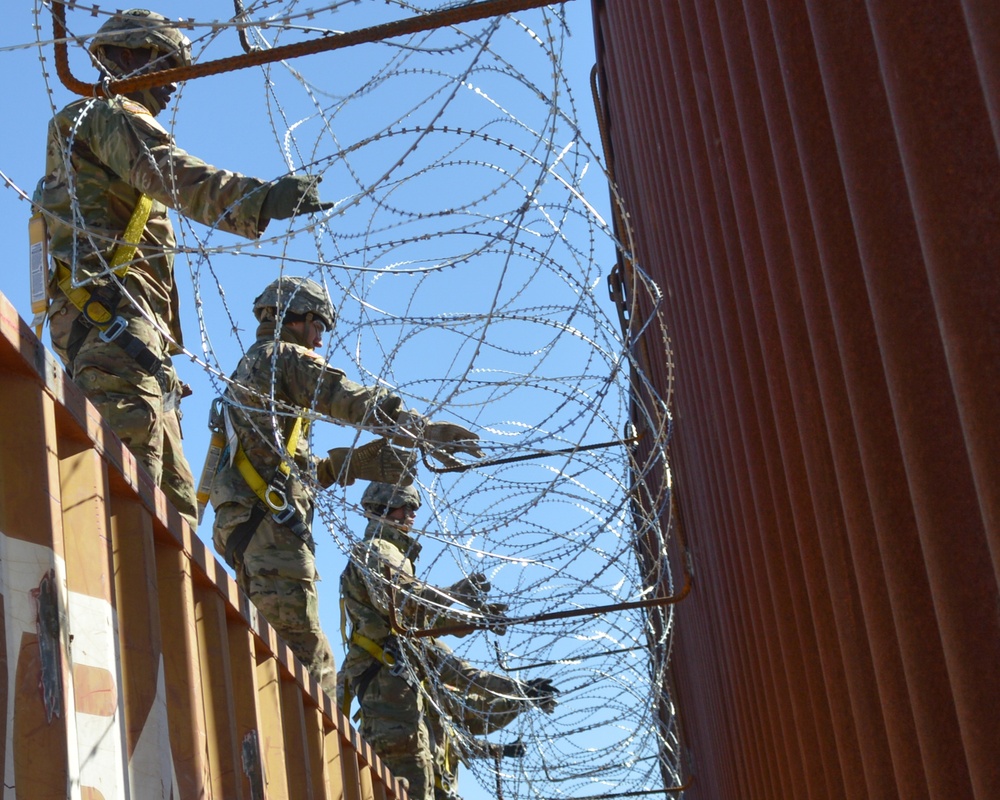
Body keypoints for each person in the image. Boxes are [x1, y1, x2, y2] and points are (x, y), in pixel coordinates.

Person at [34, 9, 333, 529]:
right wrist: (260, 199)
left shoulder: (101, 128)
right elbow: (174, 174)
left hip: (127, 336)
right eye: (167, 64)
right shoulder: (108, 116)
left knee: (171, 514)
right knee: (131, 499)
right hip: (113, 331)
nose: (176, 84)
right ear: (125, 57)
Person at [210, 277, 482, 698]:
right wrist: (419, 429)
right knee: (307, 667)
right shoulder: (284, 358)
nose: (319, 339)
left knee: (270, 653)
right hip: (270, 535)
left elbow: (273, 462)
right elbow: (344, 396)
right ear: (292, 317)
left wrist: (348, 465)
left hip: (252, 530)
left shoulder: (250, 368)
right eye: (317, 325)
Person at [339, 481, 546, 800]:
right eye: (403, 506)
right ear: (380, 509)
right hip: (389, 707)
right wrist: (453, 597)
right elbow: (405, 604)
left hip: (400, 702)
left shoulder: (412, 641)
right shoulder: (377, 551)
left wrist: (519, 691)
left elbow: (461, 676)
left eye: (414, 508)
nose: (411, 514)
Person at [420, 638, 558, 800]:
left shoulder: (443, 713)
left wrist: (500, 749)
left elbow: (466, 740)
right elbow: (478, 707)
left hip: (438, 788)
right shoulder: (431, 695)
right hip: (418, 781)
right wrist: (522, 693)